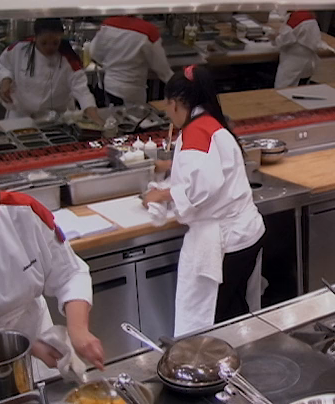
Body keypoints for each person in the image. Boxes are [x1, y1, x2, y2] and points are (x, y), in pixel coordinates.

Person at [143, 65, 265, 337]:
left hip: (227, 241)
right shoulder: (211, 122)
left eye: (167, 106)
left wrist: (161, 194)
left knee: (216, 323)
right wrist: (172, 165)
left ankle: (225, 362)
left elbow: (202, 188)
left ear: (175, 103)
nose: (167, 112)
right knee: (234, 310)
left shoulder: (195, 132)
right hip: (247, 233)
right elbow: (211, 166)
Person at [0, 154, 105, 373]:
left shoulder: (22, 213)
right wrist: (24, 347)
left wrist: (78, 330)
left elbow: (69, 273)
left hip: (37, 333)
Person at [0, 18, 103, 124]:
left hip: (56, 118)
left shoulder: (69, 60)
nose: (49, 47)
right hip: (20, 116)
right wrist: (5, 80)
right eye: (44, 43)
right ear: (35, 38)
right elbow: (5, 65)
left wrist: (94, 117)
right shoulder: (19, 49)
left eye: (55, 43)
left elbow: (82, 92)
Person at [90, 15, 174, 106]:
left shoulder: (107, 25)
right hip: (132, 90)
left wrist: (110, 63)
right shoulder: (148, 31)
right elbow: (161, 68)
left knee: (113, 113)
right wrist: (175, 83)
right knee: (134, 114)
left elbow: (94, 53)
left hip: (110, 85)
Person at [270, 11, 322, 89]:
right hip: (307, 60)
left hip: (293, 61)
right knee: (302, 87)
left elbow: (284, 39)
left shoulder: (297, 17)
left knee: (282, 89)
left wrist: (274, 37)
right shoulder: (308, 15)